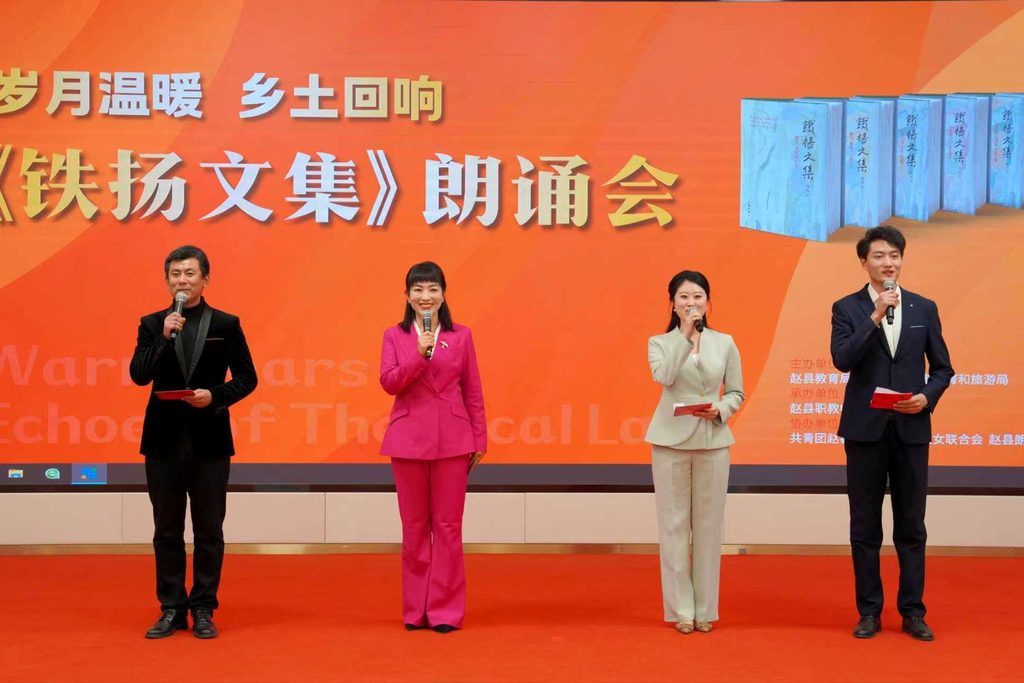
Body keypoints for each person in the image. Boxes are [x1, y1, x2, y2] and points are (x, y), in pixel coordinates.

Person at [831, 226, 953, 641]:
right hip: (865, 431)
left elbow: (943, 368)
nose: (889, 263)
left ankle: (913, 611)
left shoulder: (924, 308)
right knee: (865, 526)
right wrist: (875, 316)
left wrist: (926, 397)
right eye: (880, 256)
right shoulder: (847, 308)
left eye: (895, 255)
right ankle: (869, 611)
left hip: (911, 429)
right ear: (863, 262)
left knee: (911, 526)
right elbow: (843, 359)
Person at [130, 245, 258, 639]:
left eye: (189, 274)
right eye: (175, 274)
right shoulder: (153, 324)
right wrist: (163, 339)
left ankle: (203, 607)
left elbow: (248, 378)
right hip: (162, 441)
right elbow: (139, 374)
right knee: (166, 529)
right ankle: (171, 608)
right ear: (167, 280)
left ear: (205, 279)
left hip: (210, 441)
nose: (182, 281)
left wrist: (214, 396)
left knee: (208, 530)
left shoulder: (226, 324)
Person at [379, 261, 486, 633]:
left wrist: (479, 438)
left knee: (448, 527)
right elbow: (390, 383)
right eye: (418, 290)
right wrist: (418, 354)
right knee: (414, 527)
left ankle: (445, 610)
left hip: (453, 441)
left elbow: (472, 389)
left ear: (443, 294)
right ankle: (415, 610)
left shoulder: (461, 336)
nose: (426, 297)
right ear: (407, 296)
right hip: (407, 440)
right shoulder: (395, 336)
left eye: (433, 289)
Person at [645, 270, 744, 634]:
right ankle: (681, 611)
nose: (691, 303)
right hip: (670, 444)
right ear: (672, 304)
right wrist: (685, 336)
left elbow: (736, 391)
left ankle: (705, 610)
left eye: (698, 296)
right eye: (684, 297)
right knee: (673, 528)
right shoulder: (660, 342)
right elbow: (664, 377)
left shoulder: (725, 342)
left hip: (713, 442)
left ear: (708, 302)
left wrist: (721, 409)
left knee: (708, 528)